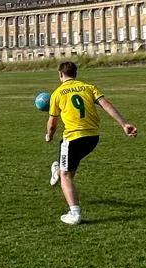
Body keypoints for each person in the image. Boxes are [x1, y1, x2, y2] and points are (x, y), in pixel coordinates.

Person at [44, 60, 137, 226]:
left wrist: (49, 136)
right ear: (75, 73)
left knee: (66, 175)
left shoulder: (57, 93)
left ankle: (74, 213)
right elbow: (106, 105)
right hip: (92, 138)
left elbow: (52, 123)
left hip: (72, 138)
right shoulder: (88, 87)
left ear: (60, 74)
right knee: (69, 172)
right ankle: (57, 171)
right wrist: (124, 124)